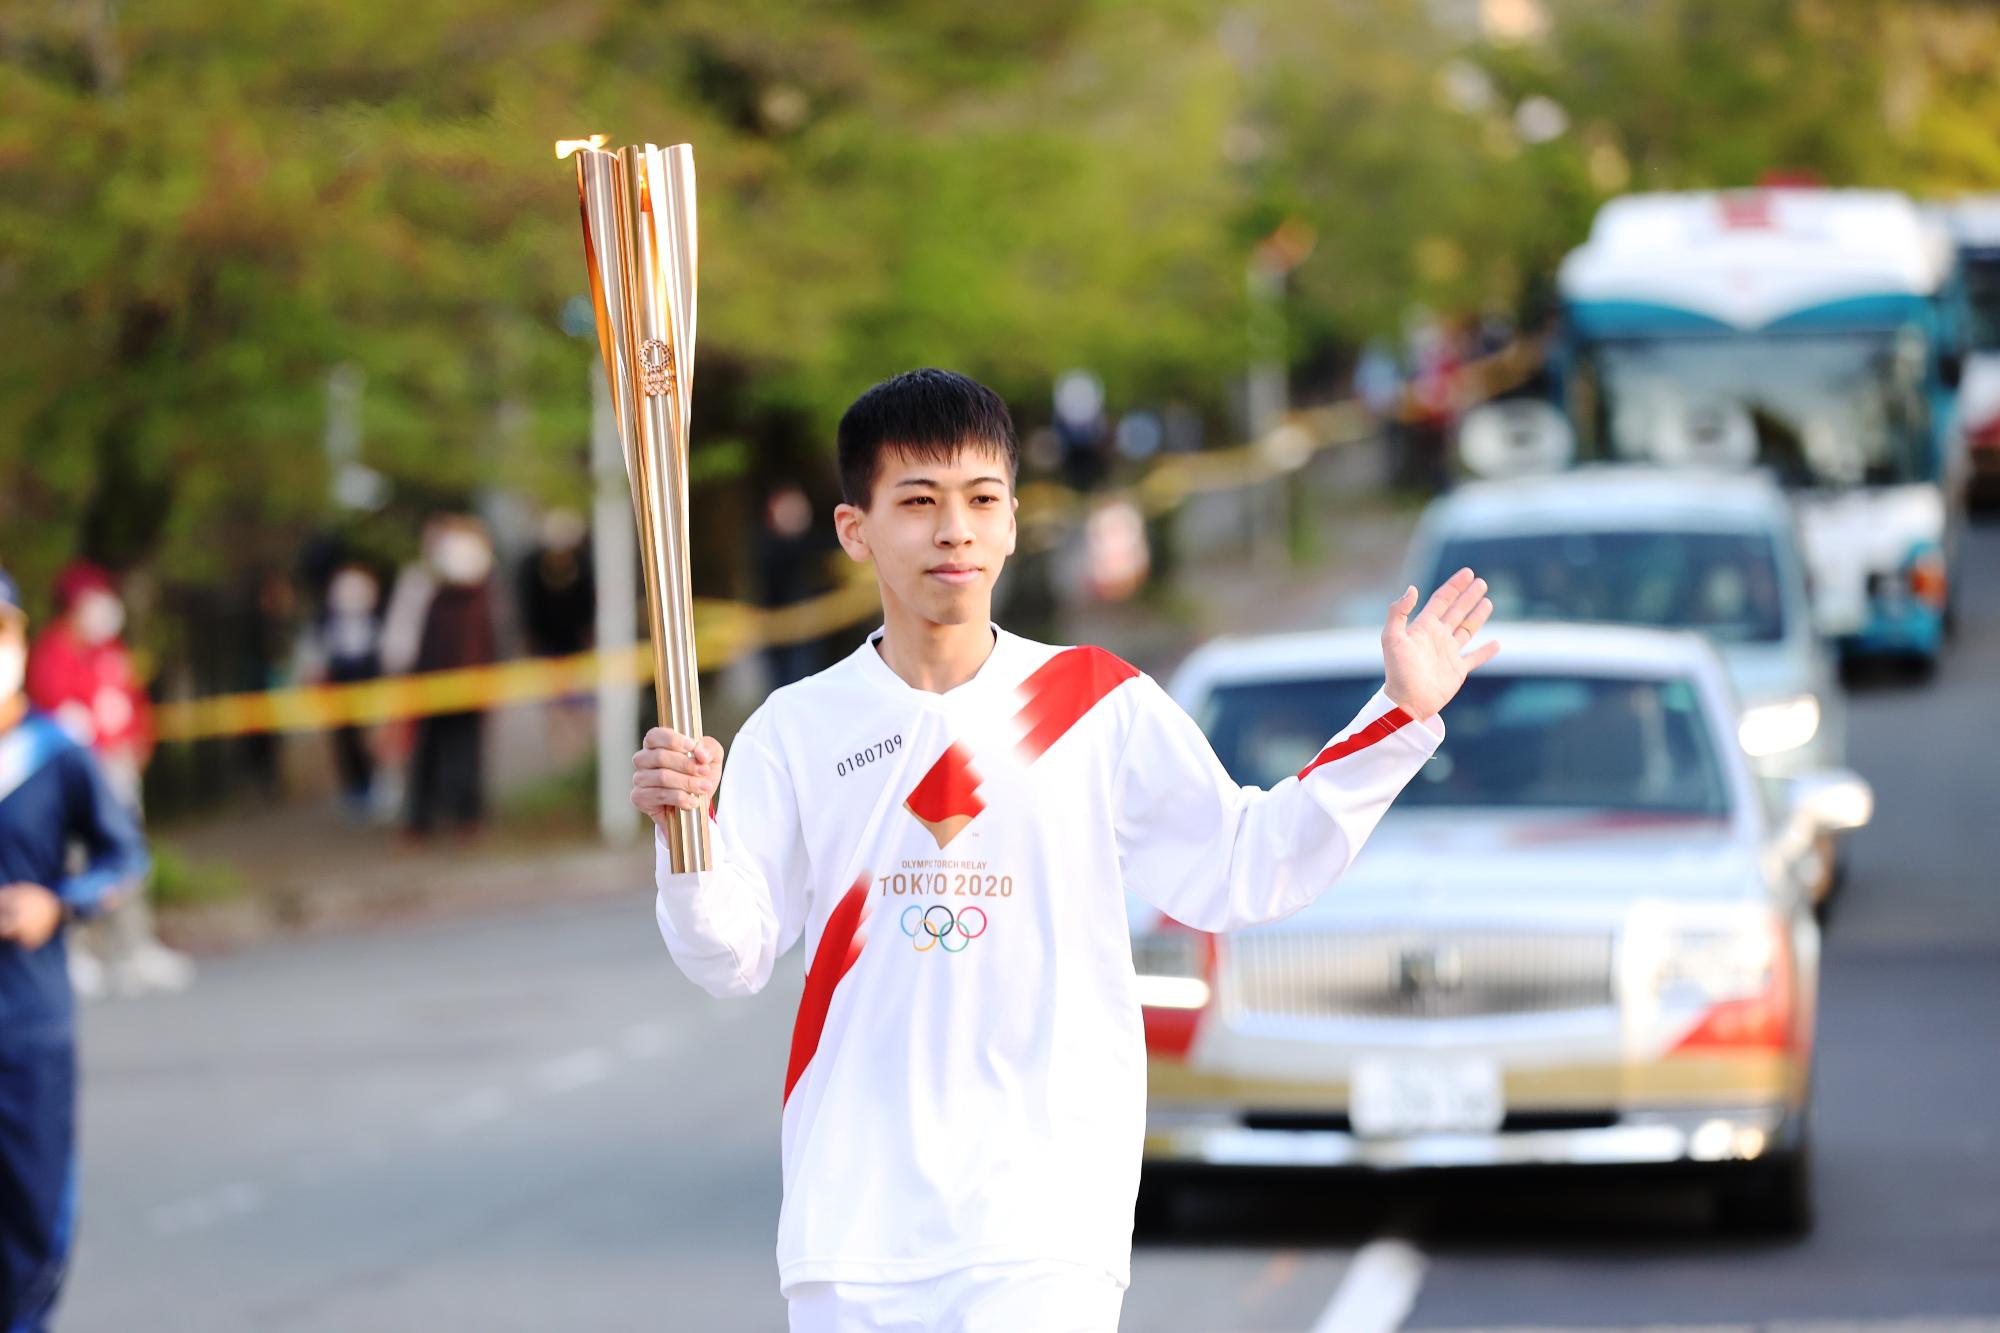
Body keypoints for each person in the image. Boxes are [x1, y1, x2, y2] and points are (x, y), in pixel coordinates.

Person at [633, 369, 1498, 1332]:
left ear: (1011, 522)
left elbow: (1249, 863)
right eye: (917, 502)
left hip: (1043, 1216)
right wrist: (689, 836)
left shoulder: (1096, 704)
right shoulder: (796, 728)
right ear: (854, 529)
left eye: (981, 500)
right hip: (853, 1221)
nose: (953, 530)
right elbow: (730, 952)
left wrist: (1400, 716)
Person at [0, 563, 149, 1331]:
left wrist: (55, 903)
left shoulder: (54, 753)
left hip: (27, 1023)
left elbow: (125, 858)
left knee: (31, 1218)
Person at [24, 562, 190, 997]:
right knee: (76, 860)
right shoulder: (52, 652)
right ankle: (77, 952)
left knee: (129, 856)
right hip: (77, 777)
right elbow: (55, 716)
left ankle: (134, 948)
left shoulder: (108, 650)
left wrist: (139, 742)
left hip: (117, 768)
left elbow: (131, 701)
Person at [404, 517, 498, 839]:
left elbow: (490, 641)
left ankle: (467, 817)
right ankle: (420, 820)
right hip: (432, 687)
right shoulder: (430, 594)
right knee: (428, 754)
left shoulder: (481, 599)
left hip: (470, 688)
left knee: (467, 753)